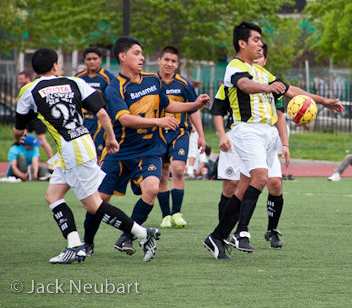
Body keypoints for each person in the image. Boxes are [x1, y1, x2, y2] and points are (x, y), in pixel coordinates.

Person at [203, 22, 343, 259]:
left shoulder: (263, 71)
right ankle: (238, 233)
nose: (260, 44)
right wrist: (267, 87)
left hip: (267, 135)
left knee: (245, 186)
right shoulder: (234, 67)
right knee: (260, 178)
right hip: (247, 131)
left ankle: (217, 236)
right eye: (255, 40)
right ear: (242, 43)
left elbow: (291, 90)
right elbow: (244, 85)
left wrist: (323, 101)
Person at [14, 48, 161, 263]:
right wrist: (110, 138)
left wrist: (19, 137)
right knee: (53, 197)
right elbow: (102, 112)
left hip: (72, 151)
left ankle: (143, 234)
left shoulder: (29, 90)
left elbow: (19, 128)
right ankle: (74, 244)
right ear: (55, 66)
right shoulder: (75, 82)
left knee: (93, 205)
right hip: (81, 145)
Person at [82, 36, 209, 256]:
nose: (142, 58)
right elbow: (125, 119)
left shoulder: (153, 80)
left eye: (142, 53)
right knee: (99, 202)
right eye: (137, 53)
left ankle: (126, 237)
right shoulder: (115, 88)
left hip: (149, 150)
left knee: (151, 189)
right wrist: (158, 121)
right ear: (123, 57)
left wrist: (194, 104)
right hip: (119, 152)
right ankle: (88, 242)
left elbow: (167, 104)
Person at [210, 43, 305, 251]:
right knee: (233, 186)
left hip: (265, 138)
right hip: (239, 138)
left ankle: (228, 234)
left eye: (261, 56)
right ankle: (231, 233)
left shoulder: (268, 80)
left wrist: (321, 101)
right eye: (256, 50)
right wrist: (222, 135)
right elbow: (217, 109)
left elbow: (287, 100)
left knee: (258, 184)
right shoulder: (235, 77)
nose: (258, 57)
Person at [155, 46, 206, 229]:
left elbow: (194, 108)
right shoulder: (151, 83)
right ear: (159, 60)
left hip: (180, 133)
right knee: (161, 176)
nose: (170, 64)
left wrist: (201, 135)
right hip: (158, 134)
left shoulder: (183, 84)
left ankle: (176, 213)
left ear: (178, 64)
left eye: (174, 61)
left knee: (177, 170)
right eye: (166, 60)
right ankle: (165, 215)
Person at [75, 47, 117, 161]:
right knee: (82, 155)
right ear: (84, 61)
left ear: (100, 60)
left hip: (100, 122)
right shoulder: (78, 78)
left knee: (98, 154)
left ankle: (98, 177)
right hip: (82, 122)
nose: (92, 61)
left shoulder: (108, 77)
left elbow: (113, 99)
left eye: (95, 58)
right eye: (89, 59)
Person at [18, 70, 55, 160]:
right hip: (27, 118)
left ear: (28, 78)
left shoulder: (33, 87)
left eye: (22, 79)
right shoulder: (23, 89)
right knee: (22, 137)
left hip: (37, 118)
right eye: (19, 79)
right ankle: (24, 159)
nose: (20, 81)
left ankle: (53, 160)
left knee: (41, 139)